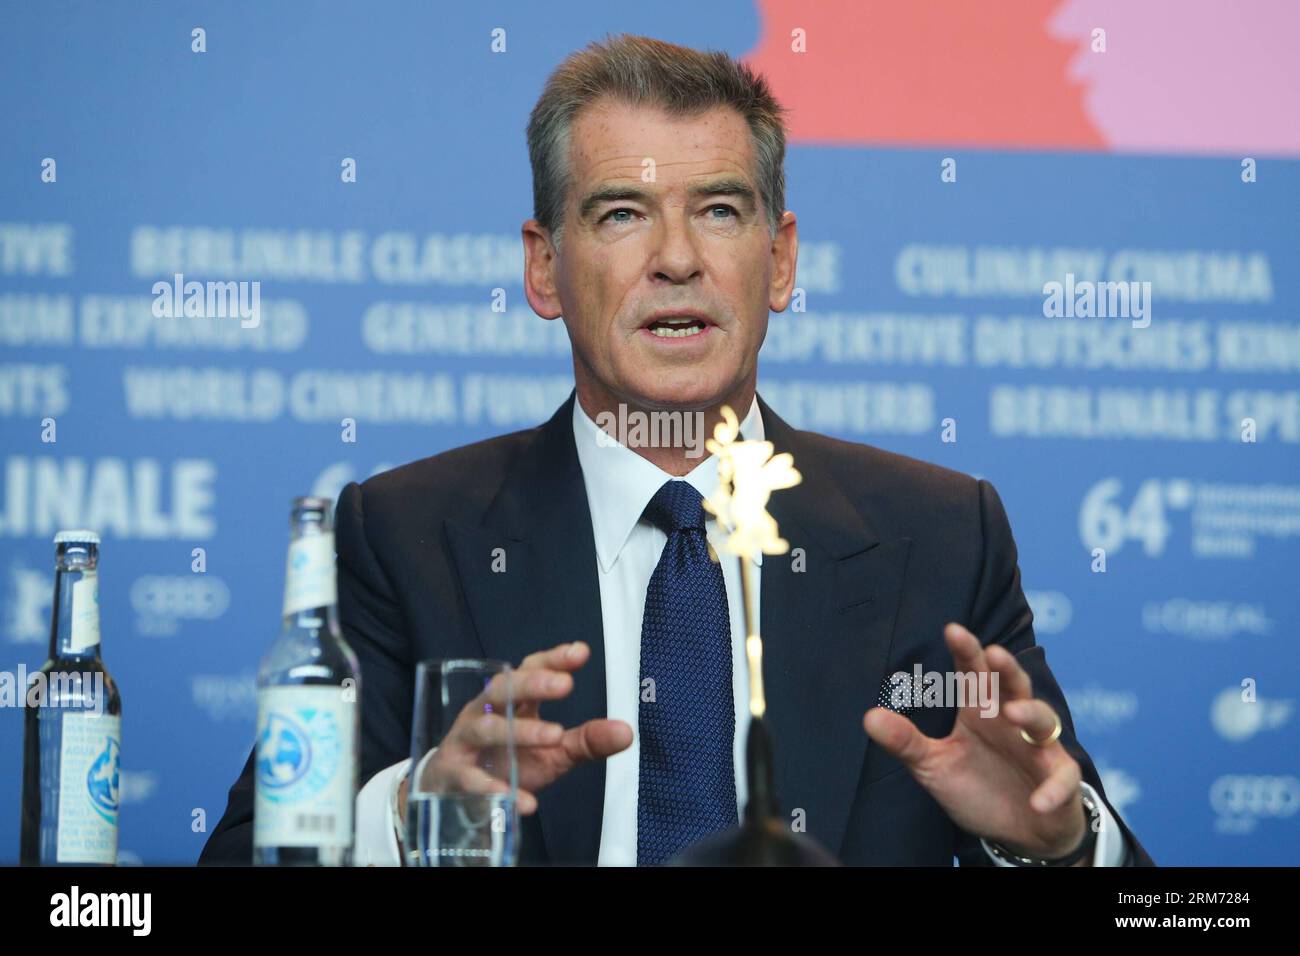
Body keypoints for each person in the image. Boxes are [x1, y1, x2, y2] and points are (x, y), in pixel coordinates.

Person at [201, 34, 1152, 867]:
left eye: (720, 212)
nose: (678, 259)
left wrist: (1058, 849)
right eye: (622, 213)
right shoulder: (404, 538)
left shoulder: (941, 540)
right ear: (543, 267)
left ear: (780, 263)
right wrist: (414, 818)